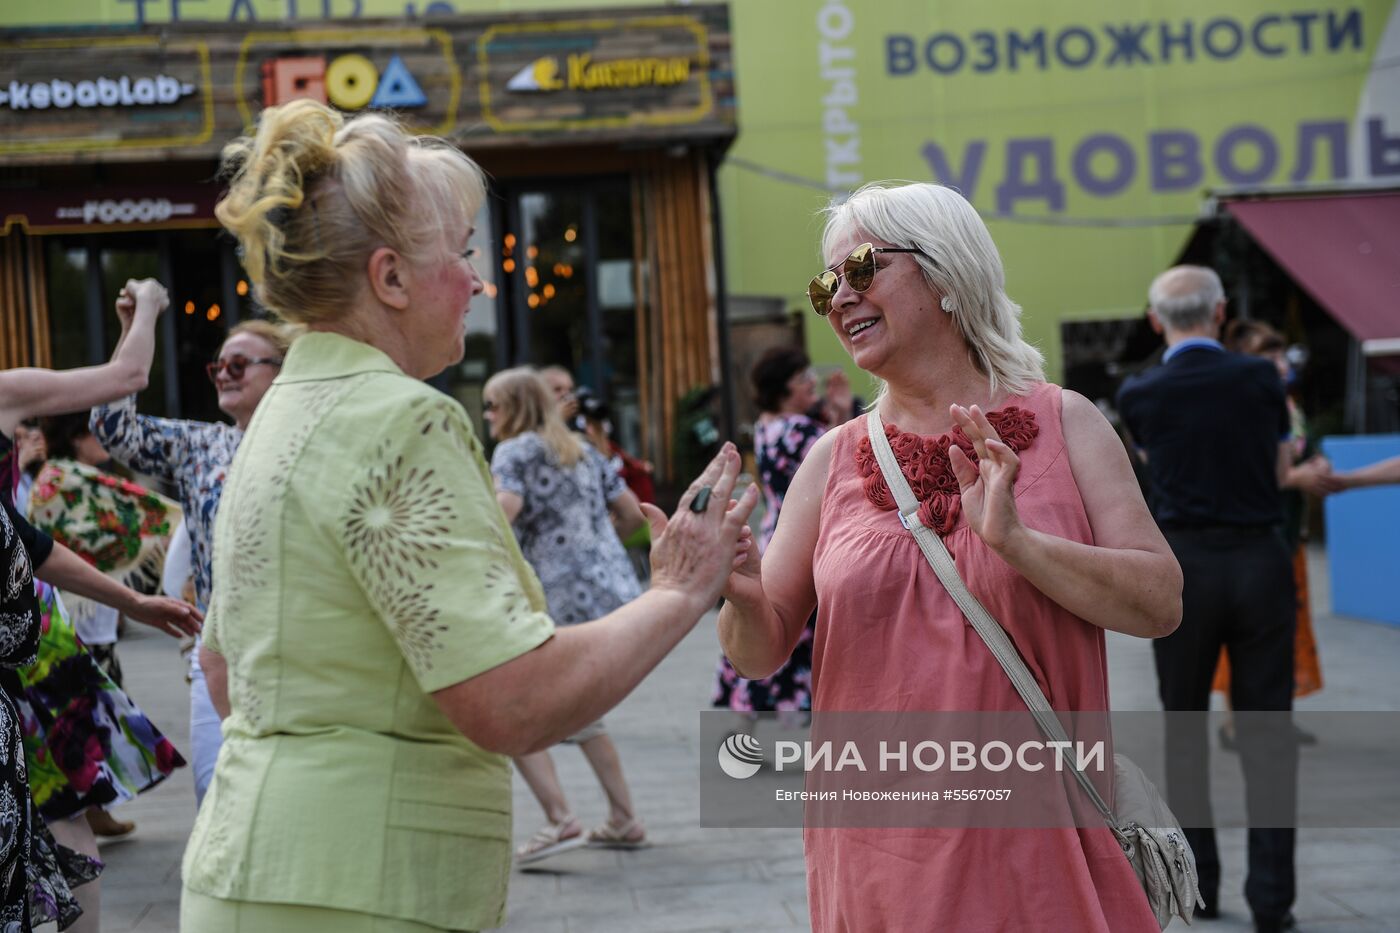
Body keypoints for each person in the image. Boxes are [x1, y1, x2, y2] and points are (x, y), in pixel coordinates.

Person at [181, 99, 755, 932]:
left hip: (253, 862)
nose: (477, 283)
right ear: (390, 278)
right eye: (461, 255)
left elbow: (225, 671)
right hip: (367, 887)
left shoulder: (282, 409)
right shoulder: (397, 416)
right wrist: (676, 592)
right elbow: (510, 700)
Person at [717, 182, 1180, 931]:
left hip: (1043, 848)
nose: (839, 298)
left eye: (861, 268)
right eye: (825, 284)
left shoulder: (1068, 423)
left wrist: (1022, 546)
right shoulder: (830, 459)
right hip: (878, 852)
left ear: (946, 273)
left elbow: (1160, 603)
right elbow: (760, 651)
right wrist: (737, 591)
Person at [0, 278, 202, 930]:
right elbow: (129, 372)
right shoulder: (4, 391)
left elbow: (29, 543)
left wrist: (136, 602)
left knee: (60, 808)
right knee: (60, 809)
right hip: (29, 644)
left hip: (25, 649)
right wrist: (145, 303)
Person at [1117, 266, 1299, 933]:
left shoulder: (1140, 393)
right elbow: (1282, 471)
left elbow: (1150, 465)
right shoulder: (1260, 378)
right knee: (1268, 734)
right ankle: (1274, 900)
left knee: (1184, 729)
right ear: (1221, 312)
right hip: (1259, 560)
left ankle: (1203, 884)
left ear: (1156, 319)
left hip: (1183, 567)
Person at [91, 316, 296, 807]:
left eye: (240, 364)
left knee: (292, 794)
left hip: (301, 643)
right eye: (218, 366)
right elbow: (111, 425)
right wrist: (136, 321)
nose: (225, 373)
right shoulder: (201, 445)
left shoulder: (315, 440)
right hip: (221, 645)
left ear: (283, 370)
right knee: (217, 789)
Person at [483, 367, 650, 863]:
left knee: (506, 706)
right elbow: (631, 511)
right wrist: (595, 550)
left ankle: (561, 819)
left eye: (494, 404)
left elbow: (504, 509)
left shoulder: (514, 451)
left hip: (551, 596)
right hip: (606, 588)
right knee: (581, 711)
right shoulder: (583, 448)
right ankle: (623, 818)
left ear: (514, 406)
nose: (488, 414)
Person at [24, 410, 186, 854]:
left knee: (91, 707)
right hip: (73, 614)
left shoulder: (62, 476)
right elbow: (138, 520)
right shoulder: (65, 477)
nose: (104, 443)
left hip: (83, 610)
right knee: (85, 709)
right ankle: (89, 803)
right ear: (77, 439)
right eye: (95, 433)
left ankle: (93, 803)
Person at [1214, 320, 1332, 749]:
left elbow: (1301, 453)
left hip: (1288, 534)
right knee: (1243, 633)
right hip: (1255, 538)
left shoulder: (1289, 405)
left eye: (1281, 355)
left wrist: (1315, 468)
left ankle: (1279, 716)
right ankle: (1233, 725)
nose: (1280, 365)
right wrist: (1297, 477)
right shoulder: (1238, 406)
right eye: (1268, 356)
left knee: (1288, 630)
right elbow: (1249, 473)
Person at [712, 348, 847, 717]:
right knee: (796, 628)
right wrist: (841, 413)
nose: (812, 385)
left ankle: (754, 712)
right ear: (785, 389)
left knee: (771, 624)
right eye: (803, 380)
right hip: (808, 535)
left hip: (776, 530)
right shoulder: (801, 430)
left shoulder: (767, 425)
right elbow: (846, 458)